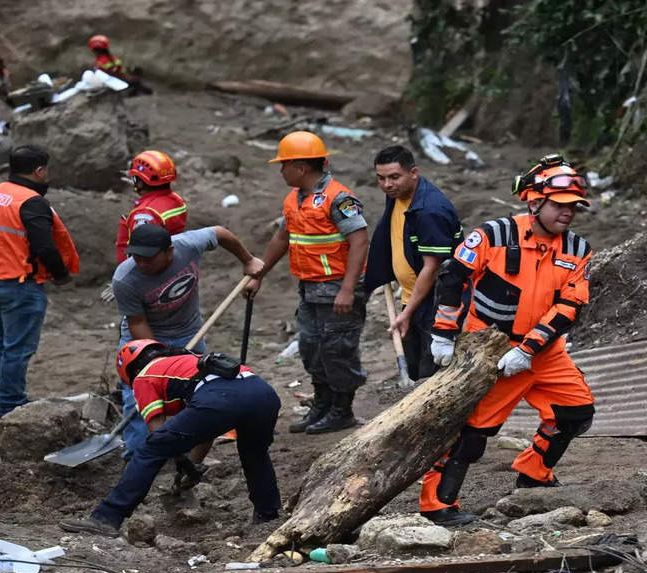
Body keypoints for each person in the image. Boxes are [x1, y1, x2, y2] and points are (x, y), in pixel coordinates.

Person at [418, 154, 596, 526]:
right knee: (472, 432)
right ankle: (437, 504)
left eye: (574, 207)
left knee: (576, 413)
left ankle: (534, 474)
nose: (568, 214)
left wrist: (530, 349)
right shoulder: (492, 235)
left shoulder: (577, 250)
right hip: (490, 347)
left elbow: (569, 306)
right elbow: (453, 280)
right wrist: (443, 334)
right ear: (535, 202)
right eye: (561, 205)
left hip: (543, 352)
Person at [59, 340, 281, 536]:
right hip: (263, 393)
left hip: (220, 399)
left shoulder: (144, 377)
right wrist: (192, 465)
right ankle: (267, 514)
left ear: (129, 371)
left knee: (150, 450)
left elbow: (158, 435)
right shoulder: (190, 363)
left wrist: (181, 461)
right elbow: (207, 430)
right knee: (255, 454)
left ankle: (107, 517)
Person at [244, 131, 369, 434]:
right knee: (312, 347)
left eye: (283, 164)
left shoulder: (339, 198)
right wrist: (258, 273)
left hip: (337, 287)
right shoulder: (295, 199)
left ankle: (342, 410)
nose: (280, 171)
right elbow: (282, 238)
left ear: (300, 167)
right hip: (310, 288)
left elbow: (360, 241)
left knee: (337, 350)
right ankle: (323, 405)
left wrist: (348, 289)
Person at [113, 223, 263, 459]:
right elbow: (137, 323)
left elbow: (221, 232)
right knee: (139, 399)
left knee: (197, 390)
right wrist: (158, 359)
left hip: (189, 330)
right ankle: (138, 456)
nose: (141, 263)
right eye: (136, 257)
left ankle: (188, 456)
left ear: (169, 251)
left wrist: (248, 259)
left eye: (148, 259)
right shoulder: (125, 278)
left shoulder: (188, 245)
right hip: (146, 338)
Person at [0, 145, 80, 417]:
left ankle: (2, 396)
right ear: (39, 170)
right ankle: (10, 406)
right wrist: (61, 274)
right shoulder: (31, 202)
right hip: (18, 284)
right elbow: (45, 247)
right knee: (16, 349)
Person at [364, 145, 462, 381]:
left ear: (414, 173)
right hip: (413, 300)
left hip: (437, 305)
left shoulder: (430, 211)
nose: (387, 184)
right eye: (381, 178)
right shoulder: (397, 196)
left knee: (432, 377)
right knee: (414, 368)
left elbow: (432, 268)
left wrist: (406, 313)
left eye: (394, 177)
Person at [115, 151, 188, 264]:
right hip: (173, 262)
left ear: (140, 183)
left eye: (135, 178)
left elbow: (141, 254)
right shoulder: (177, 200)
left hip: (147, 272)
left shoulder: (145, 214)